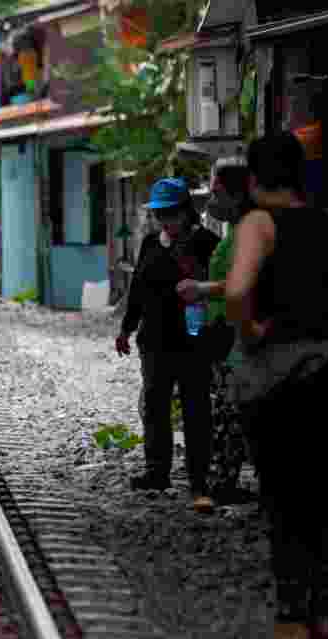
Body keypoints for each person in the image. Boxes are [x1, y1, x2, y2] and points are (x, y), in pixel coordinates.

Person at [224, 133, 328, 639]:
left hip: (278, 380)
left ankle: (292, 619)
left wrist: (251, 330)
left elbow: (235, 292)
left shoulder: (259, 223)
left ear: (254, 180)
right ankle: (325, 614)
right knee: (322, 495)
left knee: (282, 499)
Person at [116, 177, 220, 513]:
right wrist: (126, 330)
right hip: (155, 342)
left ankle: (199, 479)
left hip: (194, 342)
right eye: (160, 215)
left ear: (187, 212)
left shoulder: (207, 243)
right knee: (155, 406)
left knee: (196, 410)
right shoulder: (150, 244)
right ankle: (156, 472)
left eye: (171, 214)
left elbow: (220, 290)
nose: (166, 222)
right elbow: (137, 292)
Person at [175, 157, 254, 502]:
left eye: (217, 193)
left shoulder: (250, 231)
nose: (211, 202)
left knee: (230, 411)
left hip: (237, 332)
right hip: (222, 330)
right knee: (223, 408)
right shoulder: (236, 230)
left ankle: (225, 481)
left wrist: (203, 289)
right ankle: (221, 479)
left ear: (237, 195)